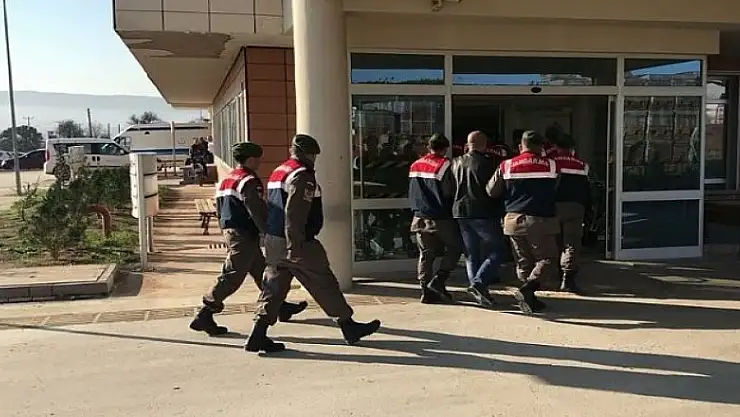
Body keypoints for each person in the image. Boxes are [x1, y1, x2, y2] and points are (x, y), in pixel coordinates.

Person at [246, 134, 381, 353]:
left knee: (273, 288)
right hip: (298, 242)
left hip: (275, 240)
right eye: (313, 155)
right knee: (324, 282)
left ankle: (257, 333)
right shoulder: (302, 176)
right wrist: (295, 244)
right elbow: (295, 212)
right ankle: (348, 326)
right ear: (308, 154)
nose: (314, 159)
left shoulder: (279, 171)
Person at [190, 142, 308, 336]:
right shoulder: (249, 180)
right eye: (258, 159)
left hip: (232, 231)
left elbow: (220, 209)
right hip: (243, 234)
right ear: (251, 159)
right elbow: (256, 209)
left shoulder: (228, 179)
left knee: (262, 272)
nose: (260, 162)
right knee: (233, 274)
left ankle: (279, 305)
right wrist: (267, 232)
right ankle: (205, 312)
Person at [486, 131, 560, 314]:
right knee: (548, 259)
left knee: (523, 261)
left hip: (513, 220)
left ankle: (529, 298)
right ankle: (528, 289)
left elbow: (491, 191)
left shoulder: (506, 165)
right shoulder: (551, 165)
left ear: (521, 146)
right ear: (540, 147)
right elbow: (556, 188)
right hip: (540, 220)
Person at [408, 133, 464, 304]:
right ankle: (439, 280)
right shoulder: (445, 165)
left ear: (429, 147)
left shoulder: (416, 164)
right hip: (440, 217)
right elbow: (448, 191)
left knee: (426, 254)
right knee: (456, 247)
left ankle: (425, 289)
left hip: (419, 216)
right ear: (445, 149)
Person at [451, 131, 504, 307]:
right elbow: (494, 189)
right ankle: (479, 284)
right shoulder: (488, 163)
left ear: (468, 144)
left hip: (460, 211)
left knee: (471, 254)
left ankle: (479, 291)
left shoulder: (455, 162)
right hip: (482, 211)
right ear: (485, 145)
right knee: (498, 250)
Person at [550, 134, 591, 293]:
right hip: (576, 207)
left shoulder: (551, 163)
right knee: (571, 244)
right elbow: (586, 189)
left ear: (556, 147)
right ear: (572, 148)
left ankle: (554, 273)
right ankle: (567, 279)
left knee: (555, 241)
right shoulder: (582, 165)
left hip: (554, 208)